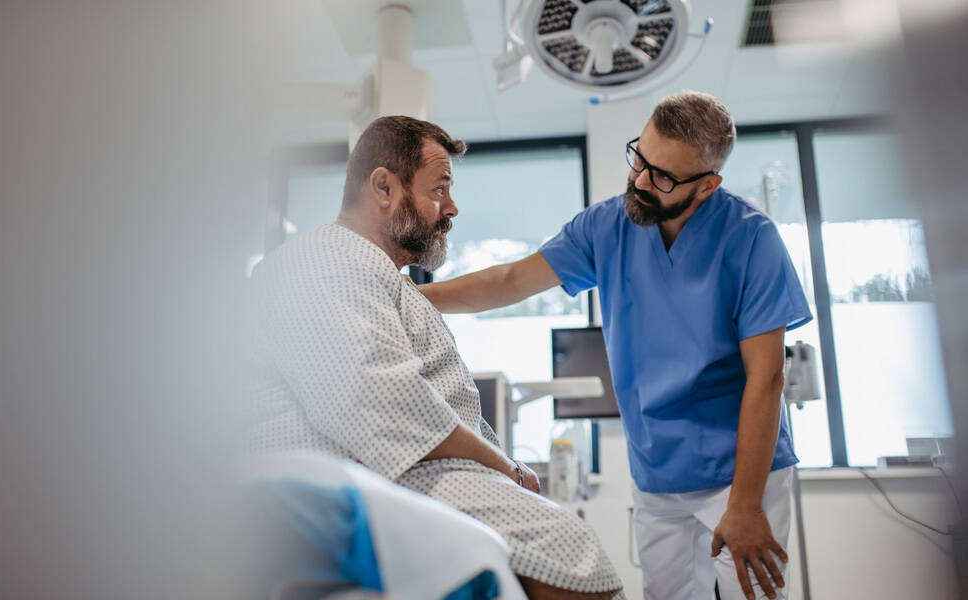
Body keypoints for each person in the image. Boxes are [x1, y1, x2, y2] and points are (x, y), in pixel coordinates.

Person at [420, 91, 812, 600]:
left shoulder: (751, 238)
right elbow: (511, 281)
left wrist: (746, 502)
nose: (641, 181)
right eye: (639, 159)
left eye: (663, 177)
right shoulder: (607, 225)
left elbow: (768, 377)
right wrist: (410, 295)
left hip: (740, 472)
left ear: (708, 186)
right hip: (656, 470)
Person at [247, 115, 625, 600]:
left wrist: (504, 470)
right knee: (566, 546)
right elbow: (381, 404)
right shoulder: (327, 259)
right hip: (366, 476)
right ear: (384, 187)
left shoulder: (381, 278)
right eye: (439, 189)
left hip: (403, 468)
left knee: (563, 537)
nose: (452, 207)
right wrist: (508, 470)